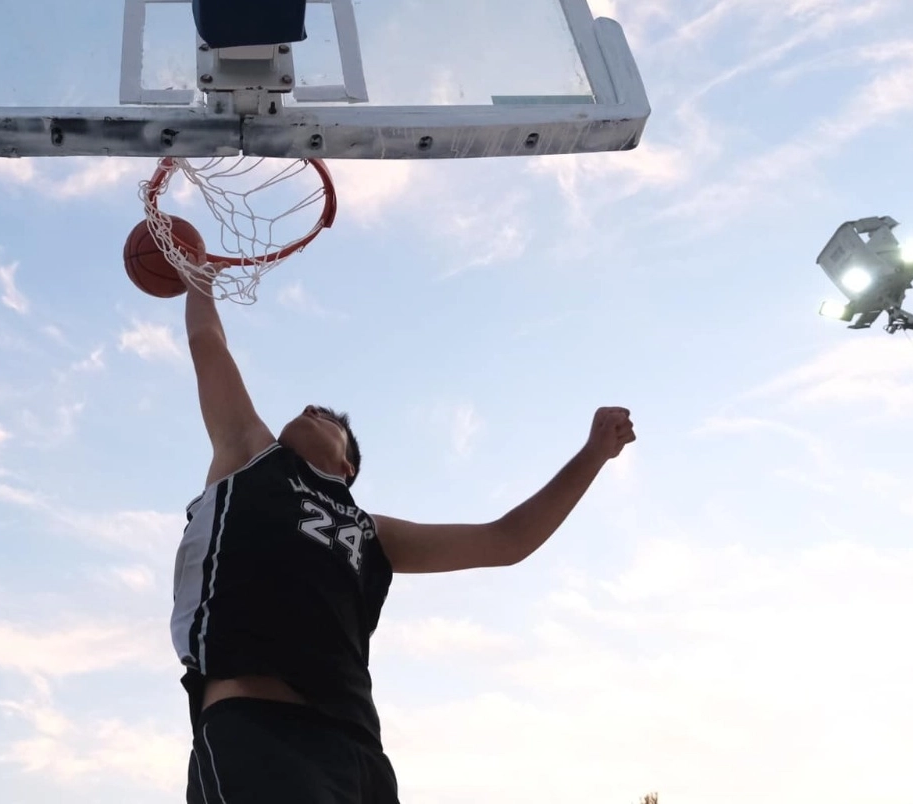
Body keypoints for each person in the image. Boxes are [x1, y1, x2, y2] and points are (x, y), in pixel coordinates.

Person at [170, 273, 636, 804]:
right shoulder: (250, 455)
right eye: (308, 409)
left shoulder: (373, 532)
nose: (311, 409)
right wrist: (199, 277)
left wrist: (594, 454)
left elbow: (507, 540)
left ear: (347, 466)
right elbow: (208, 343)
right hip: (259, 729)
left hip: (359, 755)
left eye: (331, 419)